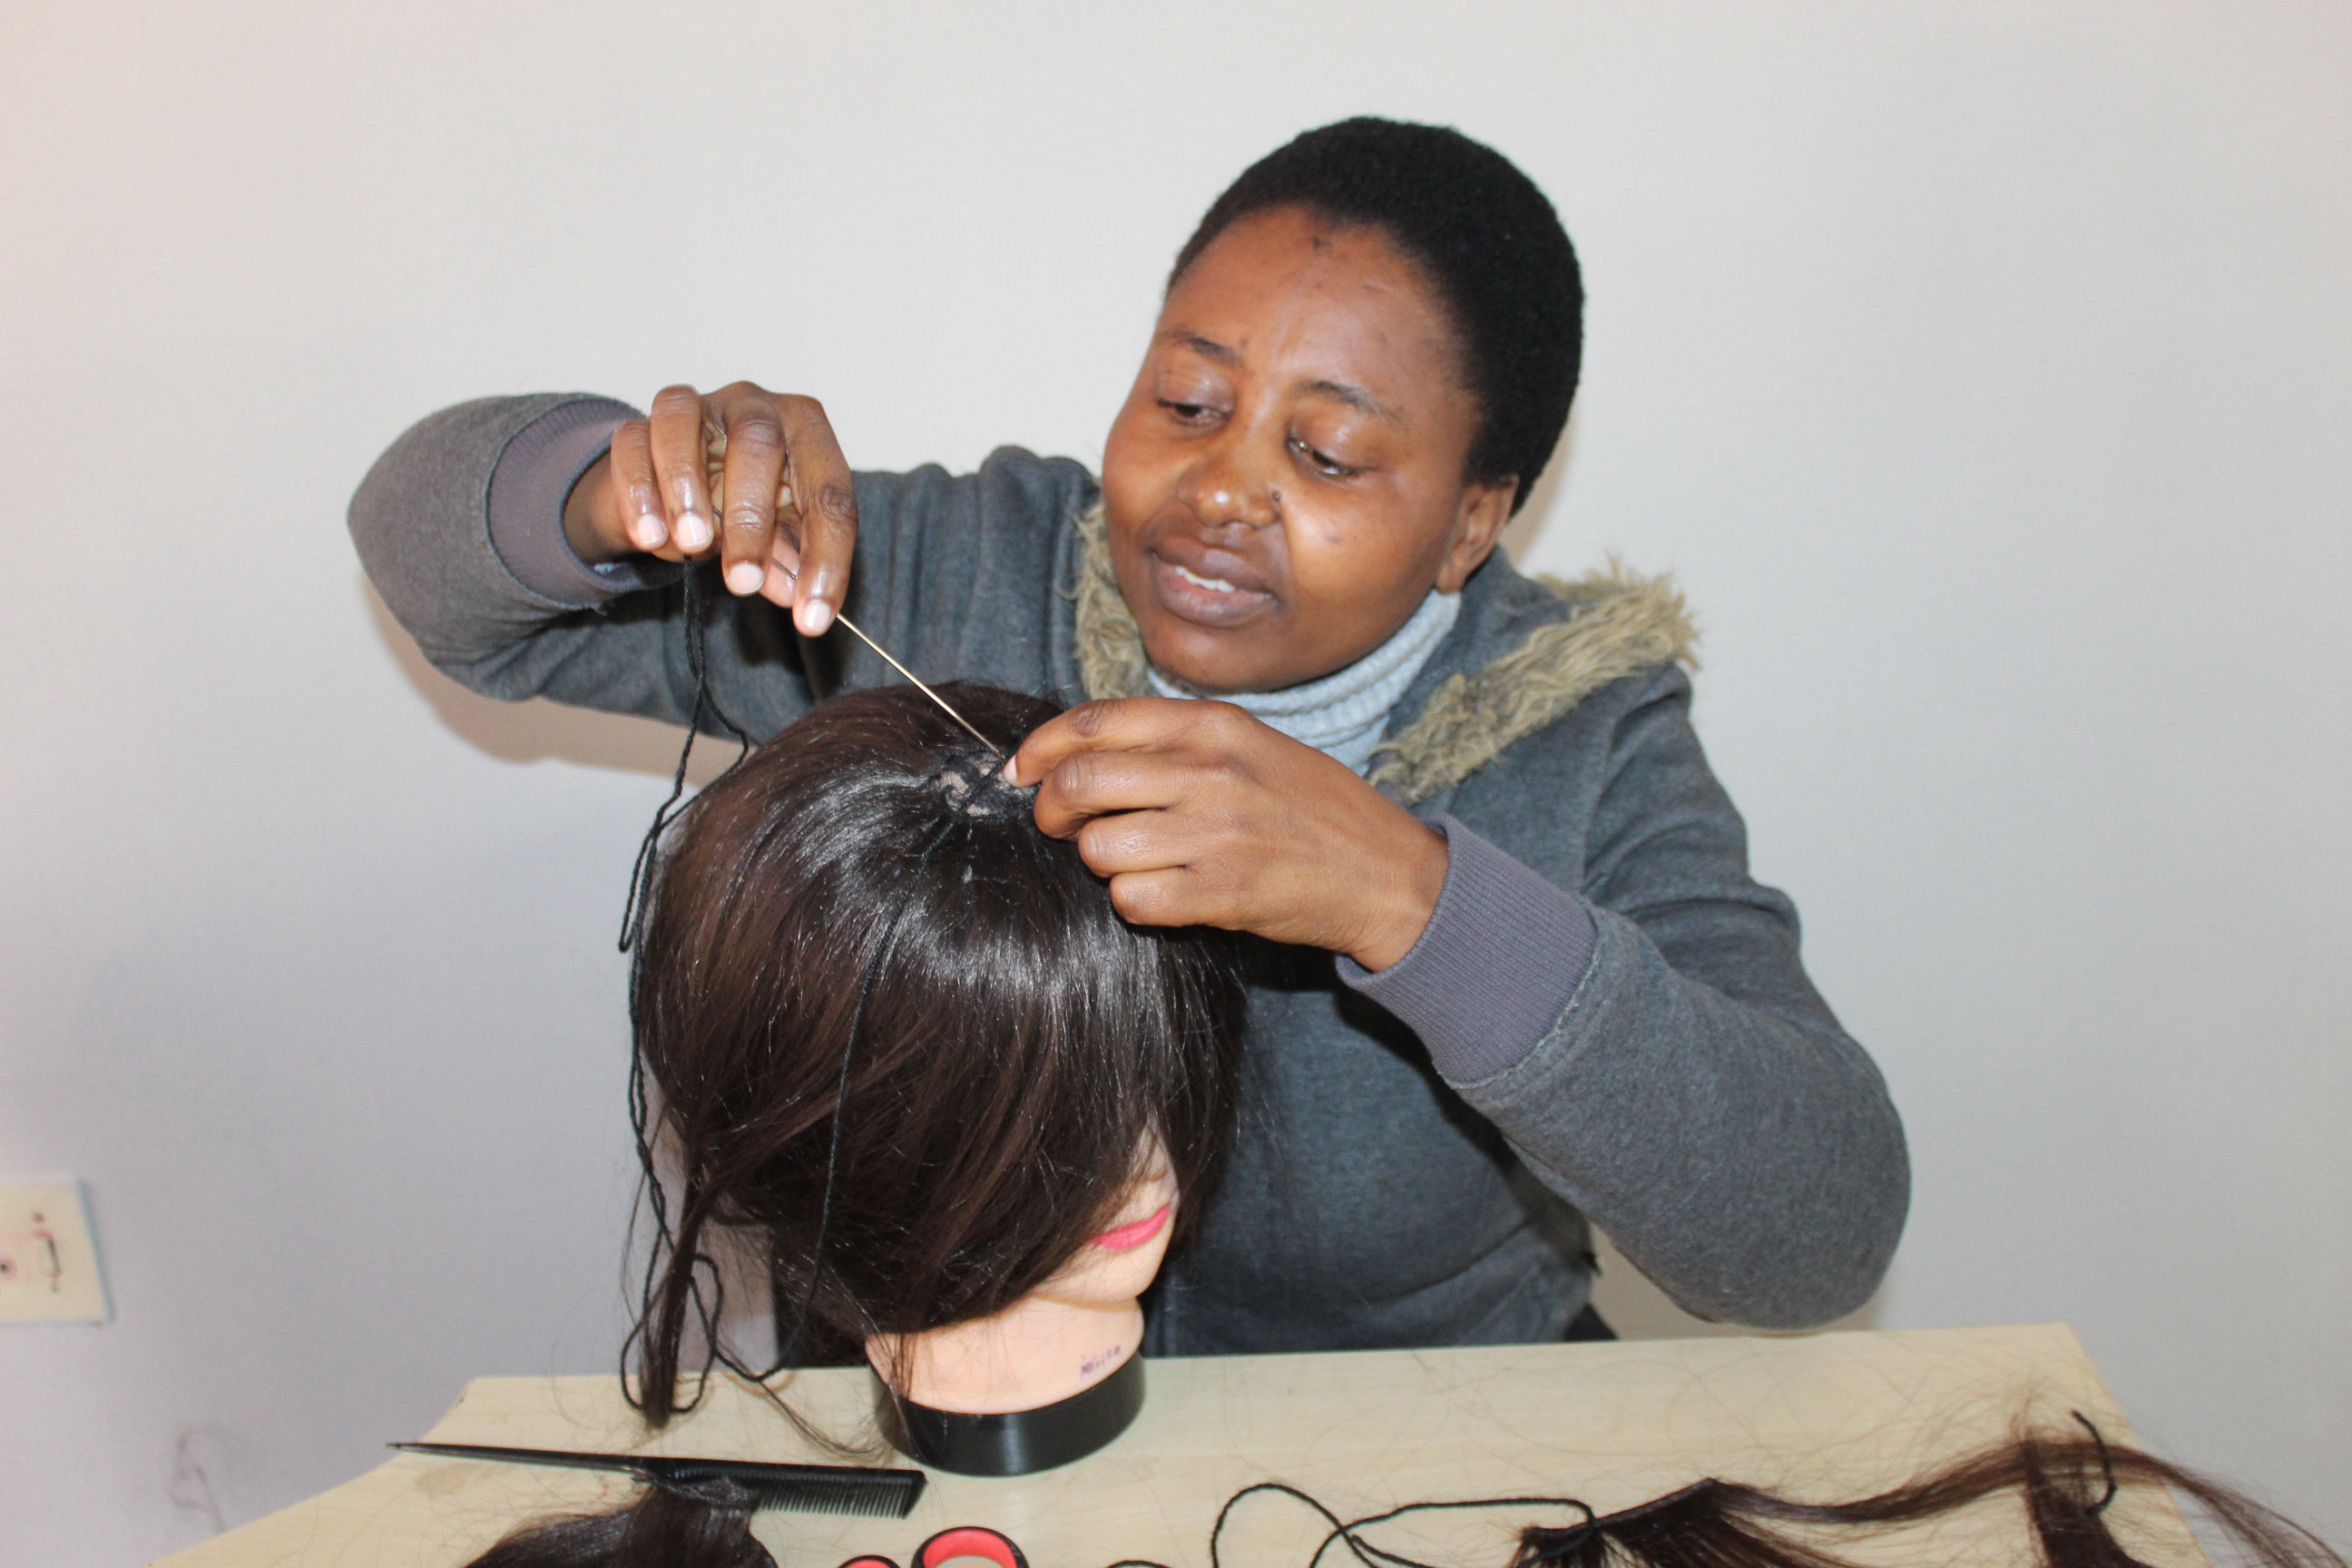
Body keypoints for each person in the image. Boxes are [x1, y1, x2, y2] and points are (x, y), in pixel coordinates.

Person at [351, 116, 1908, 1353]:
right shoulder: (954, 577)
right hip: (955, 1433)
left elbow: (1817, 1235)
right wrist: (610, 491)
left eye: (1327, 452)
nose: (1221, 489)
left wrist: (1410, 900)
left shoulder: (1589, 738)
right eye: (1185, 402)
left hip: (1404, 1444)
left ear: (1470, 523)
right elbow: (441, 579)